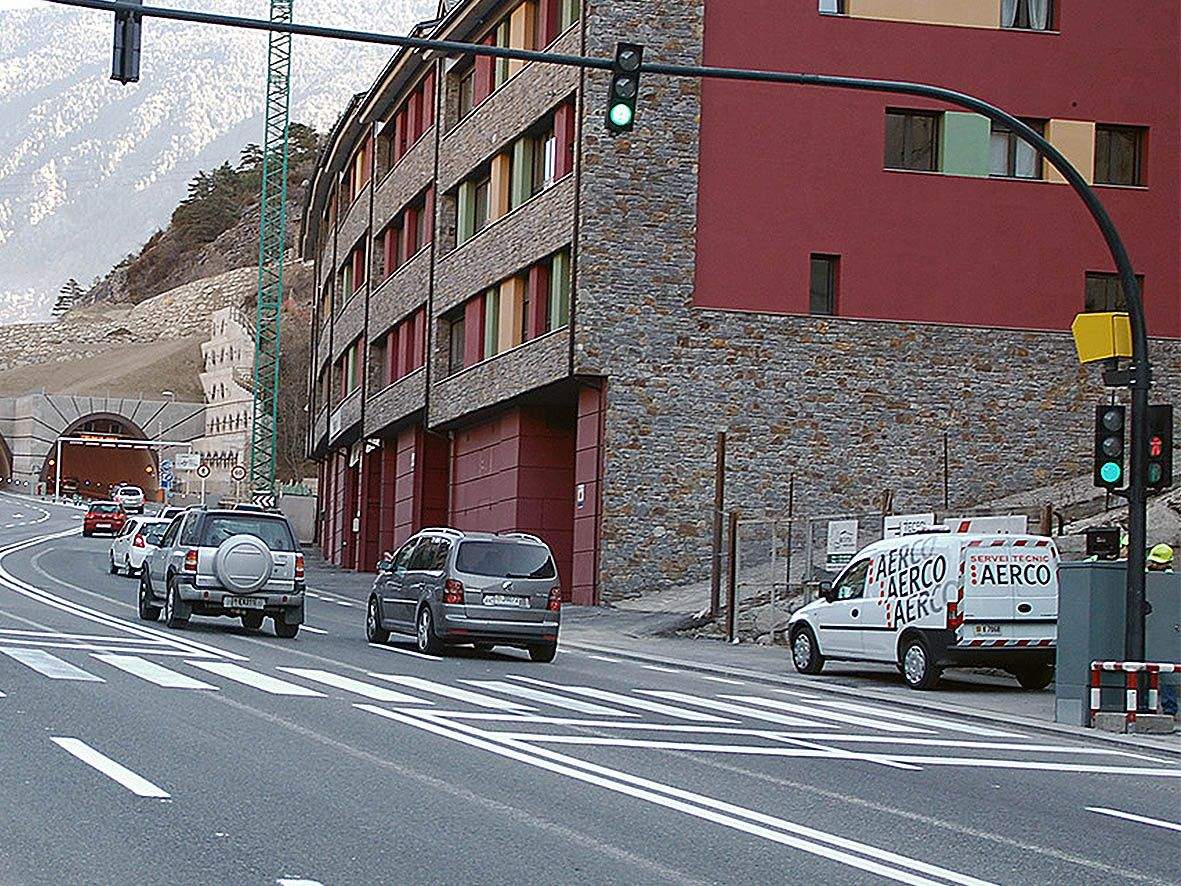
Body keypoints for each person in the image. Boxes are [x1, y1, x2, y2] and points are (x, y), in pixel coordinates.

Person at [1145, 544, 1177, 716]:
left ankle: (1168, 708)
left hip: (1163, 631)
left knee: (1166, 674)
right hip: (1153, 630)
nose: (1155, 565)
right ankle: (1145, 705)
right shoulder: (1145, 575)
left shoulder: (1170, 581)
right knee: (1147, 672)